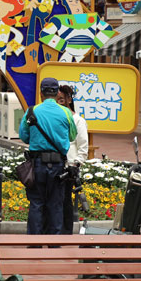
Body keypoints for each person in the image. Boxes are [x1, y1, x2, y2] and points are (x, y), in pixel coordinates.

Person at [18, 77, 75, 235]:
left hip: (36, 165)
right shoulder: (66, 112)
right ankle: (54, 243)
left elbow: (24, 136)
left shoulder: (32, 111)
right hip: (58, 166)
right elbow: (72, 136)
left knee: (36, 203)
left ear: (41, 93)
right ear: (57, 93)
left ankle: (34, 242)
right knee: (55, 204)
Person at [56, 84, 89, 235]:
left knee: (65, 199)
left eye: (62, 99)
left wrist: (76, 164)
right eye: (56, 99)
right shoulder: (54, 119)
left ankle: (66, 231)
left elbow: (83, 146)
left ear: (69, 99)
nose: (59, 102)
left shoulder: (78, 120)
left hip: (69, 166)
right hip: (54, 164)